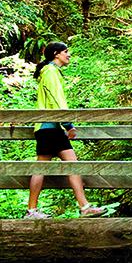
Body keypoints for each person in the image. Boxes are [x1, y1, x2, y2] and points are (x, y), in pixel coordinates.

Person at [26, 41, 108, 219]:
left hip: (49, 126)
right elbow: (56, 100)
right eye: (66, 51)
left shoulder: (50, 71)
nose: (68, 55)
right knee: (47, 167)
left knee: (67, 165)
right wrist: (68, 124)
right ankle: (33, 210)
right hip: (51, 126)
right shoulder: (51, 72)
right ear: (56, 54)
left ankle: (82, 206)